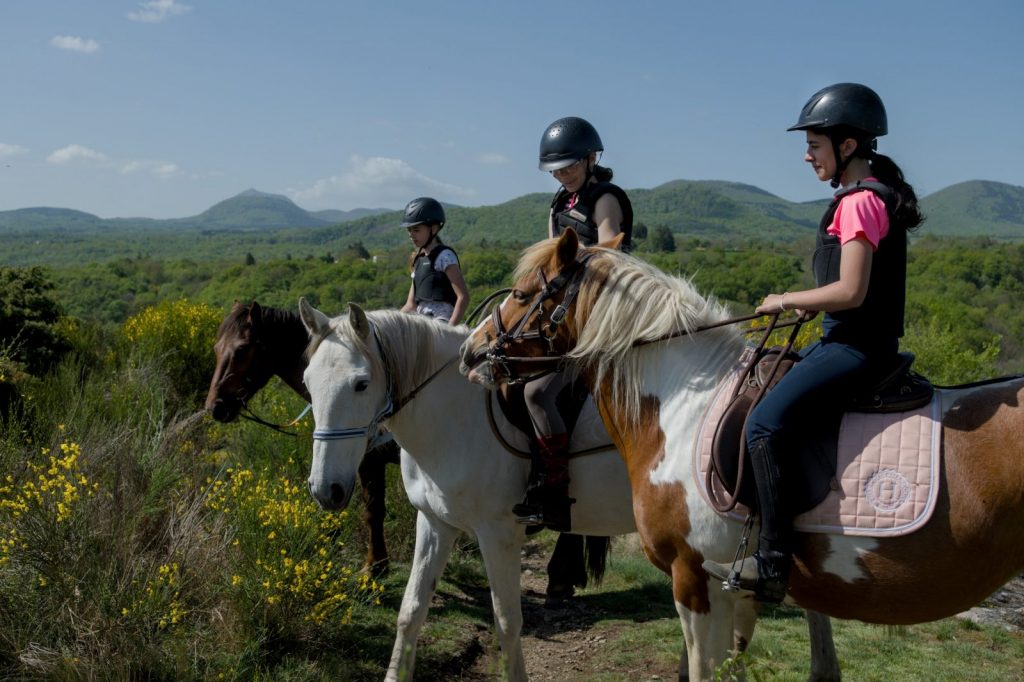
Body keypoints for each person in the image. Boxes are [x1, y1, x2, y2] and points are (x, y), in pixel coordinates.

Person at [703, 83, 924, 602]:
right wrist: (811, 304)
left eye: (814, 146)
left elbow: (851, 290)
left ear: (847, 146)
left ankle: (774, 561)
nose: (807, 156)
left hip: (856, 347)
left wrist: (785, 298)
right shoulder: (864, 196)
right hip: (852, 339)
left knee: (762, 423)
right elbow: (846, 291)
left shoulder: (860, 202)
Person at [513, 116, 634, 532]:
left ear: (590, 158)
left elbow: (608, 256)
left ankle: (554, 490)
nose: (563, 175)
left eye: (569, 166)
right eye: (556, 170)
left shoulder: (605, 199)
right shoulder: (558, 205)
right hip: (561, 316)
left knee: (539, 392)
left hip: (598, 314)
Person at [399, 197, 469, 325]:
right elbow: (410, 305)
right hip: (420, 321)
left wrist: (449, 330)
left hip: (441, 321)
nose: (411, 235)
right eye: (409, 230)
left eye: (416, 230)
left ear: (434, 228)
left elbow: (463, 297)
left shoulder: (445, 256)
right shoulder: (418, 260)